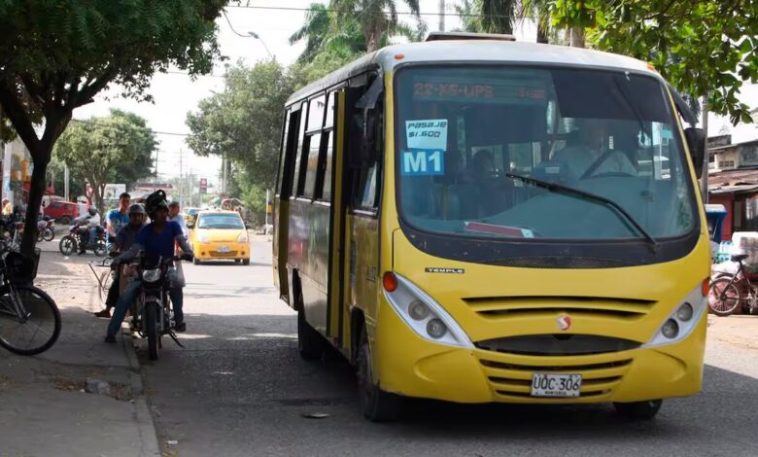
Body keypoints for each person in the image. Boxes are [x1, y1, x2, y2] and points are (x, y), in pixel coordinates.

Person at [105, 191, 193, 343]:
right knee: (125, 296)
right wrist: (119, 258)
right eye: (160, 212)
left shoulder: (173, 226)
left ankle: (179, 320)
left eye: (165, 211)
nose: (163, 214)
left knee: (176, 285)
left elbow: (182, 242)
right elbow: (134, 250)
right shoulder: (145, 231)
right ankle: (111, 332)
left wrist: (188, 252)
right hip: (145, 270)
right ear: (152, 214)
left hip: (166, 268)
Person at [94, 204, 146, 318]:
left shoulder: (146, 230)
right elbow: (117, 243)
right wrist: (113, 250)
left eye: (139, 216)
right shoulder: (125, 230)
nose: (137, 218)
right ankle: (107, 309)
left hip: (143, 263)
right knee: (117, 284)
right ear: (130, 216)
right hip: (126, 262)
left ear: (142, 217)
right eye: (134, 216)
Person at [552, 118, 637, 180]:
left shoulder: (619, 158)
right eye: (589, 127)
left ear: (605, 129)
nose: (595, 131)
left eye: (598, 126)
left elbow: (634, 187)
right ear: (581, 127)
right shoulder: (564, 157)